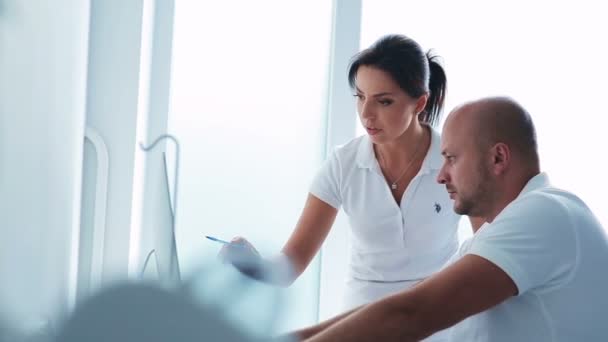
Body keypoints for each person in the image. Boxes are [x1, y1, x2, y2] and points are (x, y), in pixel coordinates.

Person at [287, 96, 608, 342]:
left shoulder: (545, 213)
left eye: (451, 159)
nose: (440, 176)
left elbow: (410, 313)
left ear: (498, 158)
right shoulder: (488, 239)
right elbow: (408, 299)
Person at [221, 34, 473, 340]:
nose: (366, 114)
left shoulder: (454, 160)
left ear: (420, 102)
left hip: (435, 322)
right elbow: (287, 270)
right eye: (360, 97)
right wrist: (251, 265)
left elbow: (486, 250)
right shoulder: (344, 164)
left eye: (384, 101)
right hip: (360, 323)